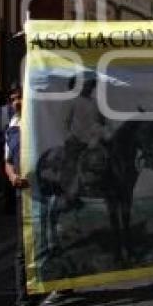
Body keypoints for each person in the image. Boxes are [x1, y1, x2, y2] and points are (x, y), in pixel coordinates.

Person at [5, 87, 44, 306]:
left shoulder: (41, 119)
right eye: (12, 99)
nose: (16, 102)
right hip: (24, 194)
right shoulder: (11, 124)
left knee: (51, 239)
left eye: (19, 97)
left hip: (45, 191)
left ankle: (61, 285)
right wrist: (12, 177)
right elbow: (7, 160)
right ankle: (25, 301)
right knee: (22, 250)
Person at [61, 77, 108, 211]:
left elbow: (103, 121)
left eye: (91, 85)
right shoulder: (71, 102)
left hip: (95, 139)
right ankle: (70, 194)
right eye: (87, 84)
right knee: (73, 164)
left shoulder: (96, 103)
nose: (90, 87)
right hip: (77, 141)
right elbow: (65, 123)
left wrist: (103, 133)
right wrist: (71, 137)